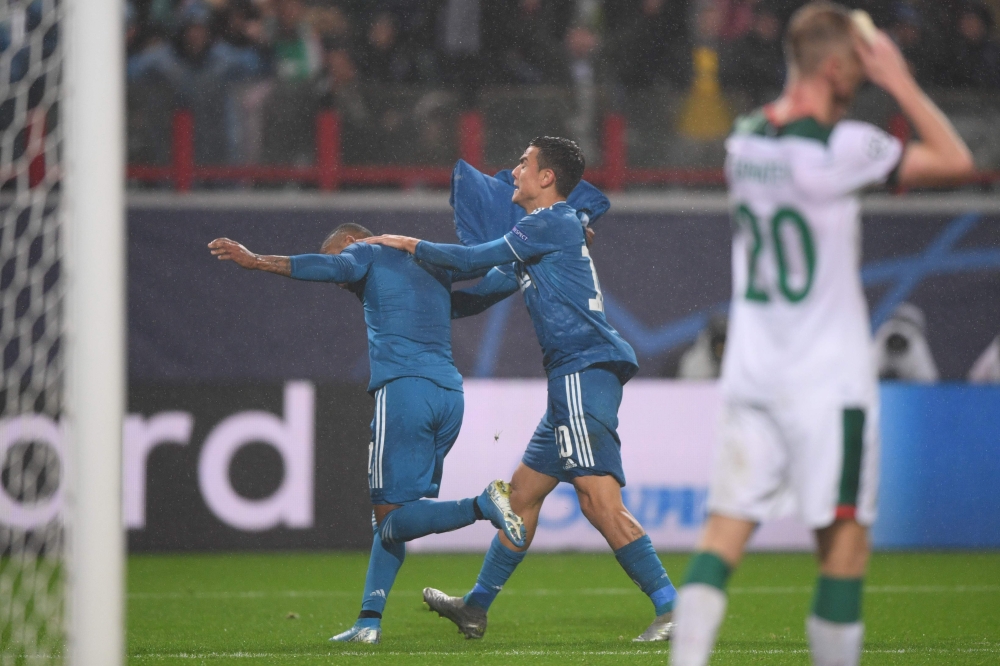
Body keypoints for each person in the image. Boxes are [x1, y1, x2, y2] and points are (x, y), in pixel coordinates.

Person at [668, 4, 974, 666]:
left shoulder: (743, 143)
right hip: (826, 382)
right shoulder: (842, 149)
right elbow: (956, 160)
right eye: (860, 64)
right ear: (838, 67)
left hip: (753, 372)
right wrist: (899, 82)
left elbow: (785, 135)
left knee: (722, 538)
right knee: (842, 544)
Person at [365, 137, 679, 642]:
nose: (513, 172)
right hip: (571, 378)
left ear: (547, 178)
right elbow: (484, 289)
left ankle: (672, 606)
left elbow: (472, 259)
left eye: (522, 163)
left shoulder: (547, 223)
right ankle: (476, 606)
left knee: (599, 502)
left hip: (582, 368)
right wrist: (420, 308)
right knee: (522, 497)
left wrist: (409, 246)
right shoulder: (546, 232)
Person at [206, 224, 526, 644]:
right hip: (449, 394)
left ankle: (482, 504)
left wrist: (256, 260)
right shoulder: (429, 262)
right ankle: (368, 621)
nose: (342, 281)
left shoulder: (365, 253)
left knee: (391, 520)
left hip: (404, 391)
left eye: (341, 262)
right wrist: (524, 269)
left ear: (351, 242)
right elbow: (475, 298)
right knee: (395, 518)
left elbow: (322, 266)